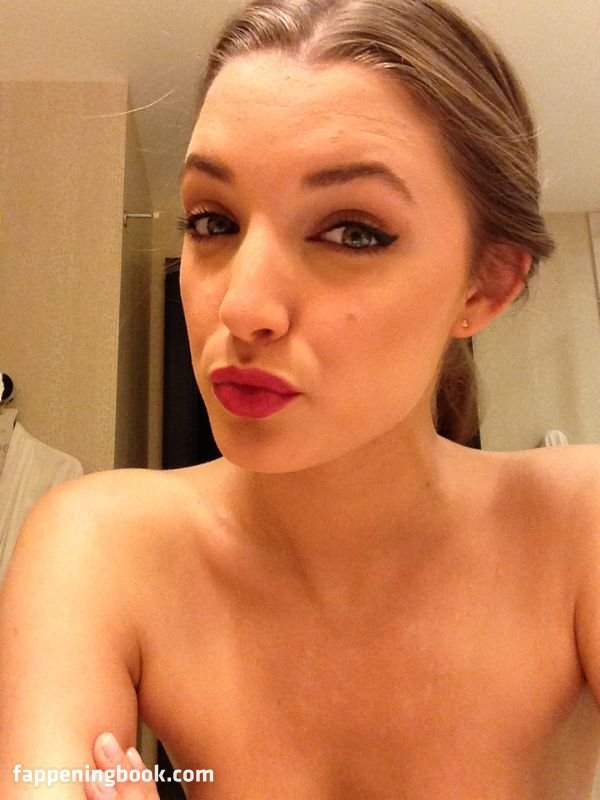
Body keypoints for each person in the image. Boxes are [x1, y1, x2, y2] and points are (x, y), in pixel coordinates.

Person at [1, 0, 599, 797]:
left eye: (354, 232)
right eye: (212, 221)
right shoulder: (101, 543)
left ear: (483, 286)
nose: (241, 306)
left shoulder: (578, 527)